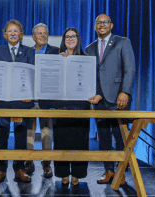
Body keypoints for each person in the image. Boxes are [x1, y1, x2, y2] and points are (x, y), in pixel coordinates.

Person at [85, 14, 135, 185]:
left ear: (111, 25)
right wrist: (94, 95)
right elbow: (90, 76)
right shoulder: (89, 48)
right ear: (94, 27)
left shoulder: (122, 42)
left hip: (119, 99)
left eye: (105, 22)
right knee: (104, 137)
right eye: (98, 23)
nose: (102, 25)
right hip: (100, 100)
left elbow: (130, 69)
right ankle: (108, 171)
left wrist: (125, 92)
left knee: (121, 137)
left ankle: (121, 173)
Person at [43, 27, 90, 186]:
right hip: (61, 106)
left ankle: (77, 174)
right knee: (61, 141)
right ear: (63, 40)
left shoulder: (86, 58)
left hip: (81, 106)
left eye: (73, 36)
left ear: (78, 39)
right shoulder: (57, 58)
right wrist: (59, 63)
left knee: (80, 142)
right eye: (67, 37)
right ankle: (63, 173)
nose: (70, 39)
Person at [0, 19, 35, 183]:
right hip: (2, 101)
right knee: (1, 135)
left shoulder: (29, 51)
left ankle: (20, 169)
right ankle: (0, 170)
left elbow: (32, 75)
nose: (13, 33)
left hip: (21, 102)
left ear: (21, 35)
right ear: (4, 34)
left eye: (16, 31)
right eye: (10, 31)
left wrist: (30, 93)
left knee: (20, 136)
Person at [24, 23, 59, 179]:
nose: (42, 35)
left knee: (46, 133)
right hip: (29, 99)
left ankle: (46, 165)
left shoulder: (57, 52)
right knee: (29, 133)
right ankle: (29, 162)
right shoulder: (27, 52)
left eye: (45, 33)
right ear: (33, 36)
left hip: (47, 100)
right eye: (39, 33)